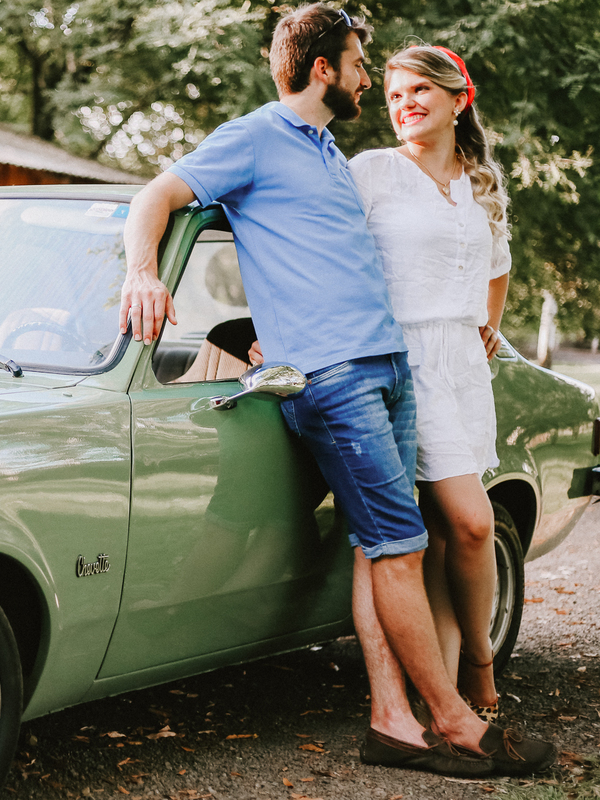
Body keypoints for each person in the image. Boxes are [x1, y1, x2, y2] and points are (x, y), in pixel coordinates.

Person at [118, 3, 554, 776]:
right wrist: (143, 272)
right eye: (362, 68)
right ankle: (453, 720)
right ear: (325, 68)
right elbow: (159, 197)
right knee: (399, 544)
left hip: (389, 364)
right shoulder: (257, 136)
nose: (371, 85)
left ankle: (394, 717)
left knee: (376, 547)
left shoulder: (322, 148)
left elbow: (321, 250)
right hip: (334, 374)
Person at [348, 45, 511, 722]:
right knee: (474, 523)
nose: (404, 104)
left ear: (457, 98)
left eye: (418, 91)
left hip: (464, 366)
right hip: (401, 360)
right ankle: (480, 658)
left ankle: (445, 685)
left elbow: (497, 264)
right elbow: (329, 257)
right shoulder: (373, 172)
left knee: (448, 536)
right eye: (392, 95)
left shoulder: (481, 183)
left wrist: (489, 324)